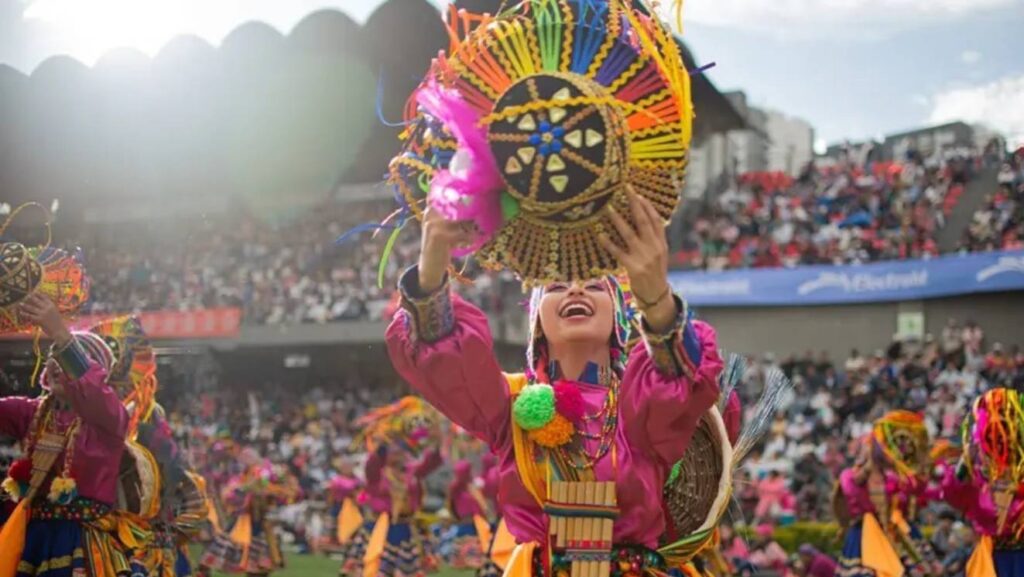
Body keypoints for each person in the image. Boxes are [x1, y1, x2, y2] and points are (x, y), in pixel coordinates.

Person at [386, 190, 724, 575]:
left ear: (619, 320)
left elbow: (684, 380)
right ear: (537, 323)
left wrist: (657, 301)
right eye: (557, 286)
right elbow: (449, 364)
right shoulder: (509, 406)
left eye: (595, 286)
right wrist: (431, 271)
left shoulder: (639, 407)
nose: (576, 289)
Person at [0, 293, 131, 577]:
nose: (56, 364)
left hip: (82, 543)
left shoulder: (108, 418)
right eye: (53, 356)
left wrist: (59, 332)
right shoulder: (34, 412)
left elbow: (91, 389)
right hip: (35, 539)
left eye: (64, 356)